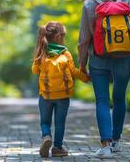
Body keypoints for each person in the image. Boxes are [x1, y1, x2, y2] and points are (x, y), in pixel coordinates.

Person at [78, 0, 130, 157]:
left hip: (98, 58)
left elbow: (84, 39)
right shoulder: (126, 1)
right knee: (119, 98)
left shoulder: (89, 4)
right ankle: (116, 141)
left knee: (102, 100)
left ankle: (105, 145)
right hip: (124, 58)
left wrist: (81, 63)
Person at [32, 21, 90, 157]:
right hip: (63, 96)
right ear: (59, 37)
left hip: (45, 96)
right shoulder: (66, 54)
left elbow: (34, 71)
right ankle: (57, 148)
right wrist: (87, 78)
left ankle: (46, 137)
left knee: (45, 121)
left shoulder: (42, 53)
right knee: (60, 123)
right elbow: (74, 72)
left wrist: (38, 56)